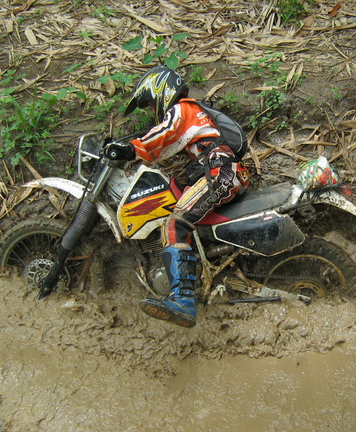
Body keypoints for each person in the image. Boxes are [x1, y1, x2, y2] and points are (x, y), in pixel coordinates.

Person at [107, 66, 250, 328]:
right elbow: (166, 147)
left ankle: (182, 301)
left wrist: (129, 150)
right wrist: (137, 154)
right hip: (220, 172)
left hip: (221, 173)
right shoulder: (192, 113)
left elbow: (164, 135)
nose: (152, 111)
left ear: (161, 91)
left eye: (151, 104)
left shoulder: (182, 109)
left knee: (175, 223)